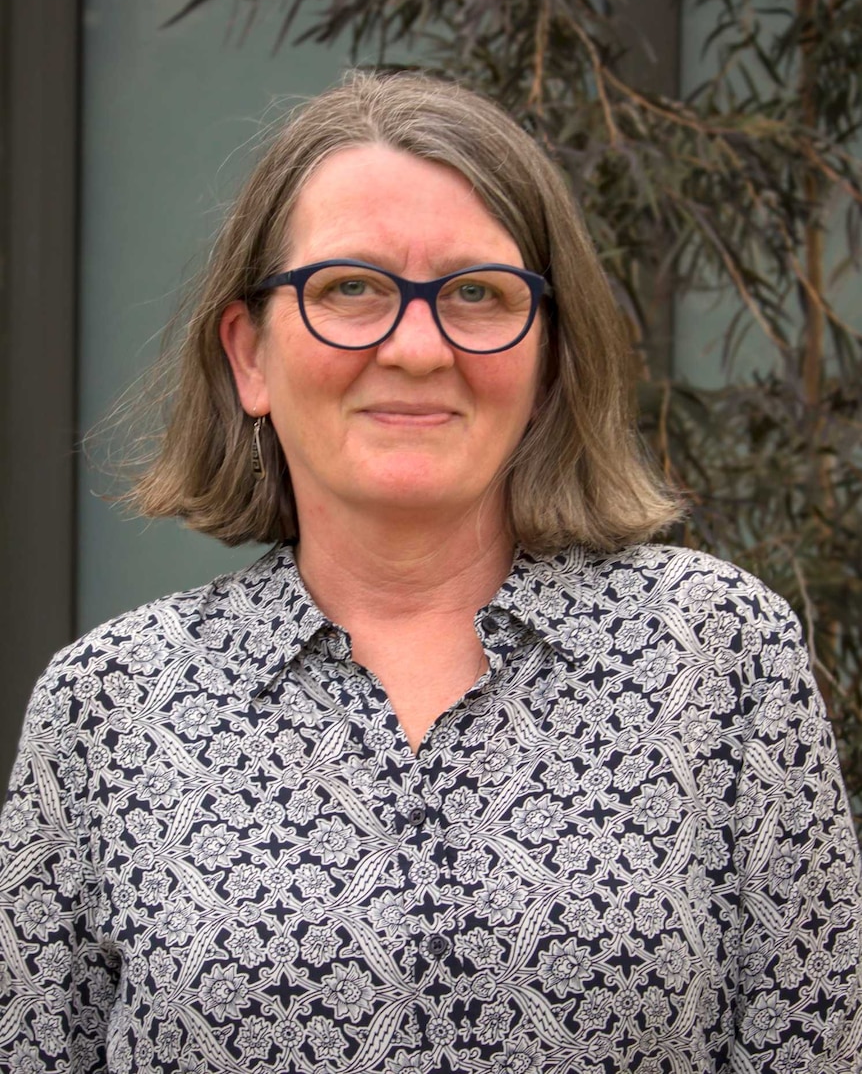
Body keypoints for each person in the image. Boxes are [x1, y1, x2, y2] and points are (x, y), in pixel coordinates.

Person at [0, 72, 860, 1074]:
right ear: (250, 357)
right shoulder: (107, 706)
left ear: (548, 357)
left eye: (477, 295)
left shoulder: (717, 655)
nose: (415, 347)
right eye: (349, 289)